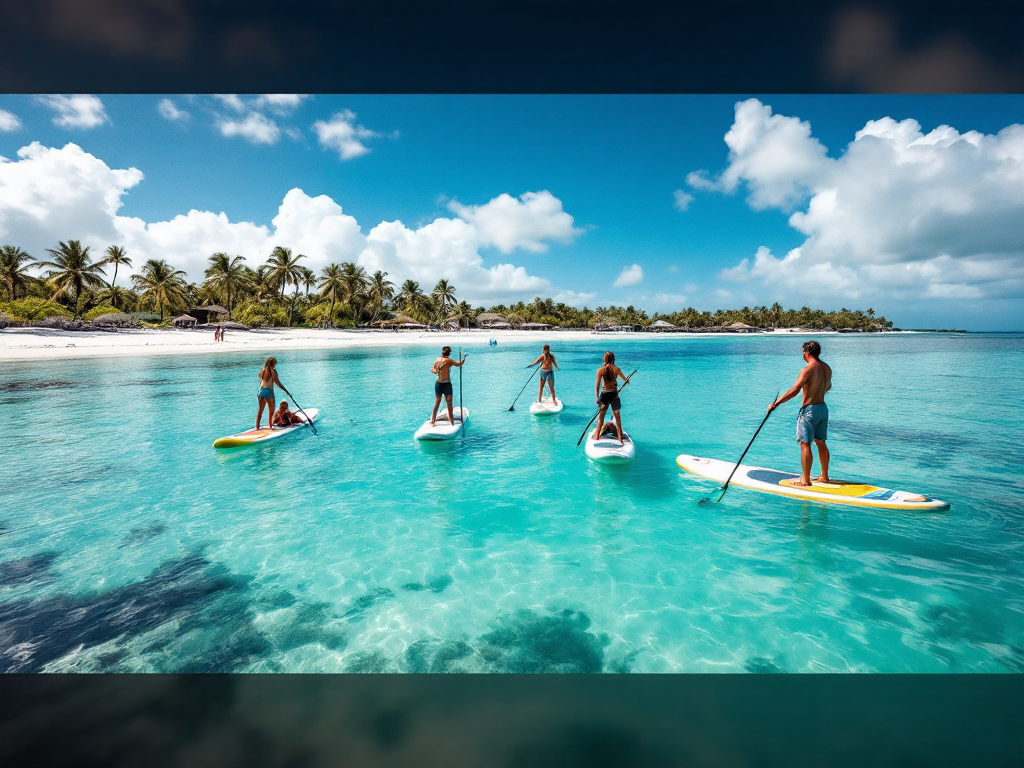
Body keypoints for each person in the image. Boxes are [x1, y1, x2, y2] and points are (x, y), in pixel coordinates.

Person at [767, 340, 833, 486]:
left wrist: (776, 403)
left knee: (805, 444)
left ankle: (806, 480)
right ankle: (824, 476)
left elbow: (794, 390)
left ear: (806, 353)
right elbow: (828, 387)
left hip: (809, 410)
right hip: (823, 408)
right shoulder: (827, 368)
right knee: (821, 442)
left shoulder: (807, 369)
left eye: (803, 352)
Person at [593, 351, 629, 445]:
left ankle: (596, 437)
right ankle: (620, 440)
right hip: (614, 394)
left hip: (604, 395)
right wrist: (627, 380)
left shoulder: (600, 370)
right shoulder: (617, 369)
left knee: (601, 417)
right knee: (617, 417)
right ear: (613, 359)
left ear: (604, 359)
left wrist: (597, 397)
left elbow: (597, 385)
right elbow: (625, 380)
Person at [430, 345, 467, 427]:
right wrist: (464, 358)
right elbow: (459, 364)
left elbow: (434, 370)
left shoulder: (437, 360)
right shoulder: (449, 361)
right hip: (446, 384)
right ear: (449, 353)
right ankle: (451, 422)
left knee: (437, 403)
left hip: (439, 384)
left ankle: (433, 421)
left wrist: (434, 371)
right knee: (449, 403)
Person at [256, 357, 285, 430]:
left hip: (261, 391)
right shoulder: (273, 371)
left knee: (260, 411)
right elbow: (278, 383)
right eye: (275, 363)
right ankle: (270, 425)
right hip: (269, 391)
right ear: (273, 364)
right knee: (271, 410)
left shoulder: (263, 370)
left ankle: (257, 427)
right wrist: (286, 391)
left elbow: (260, 377)